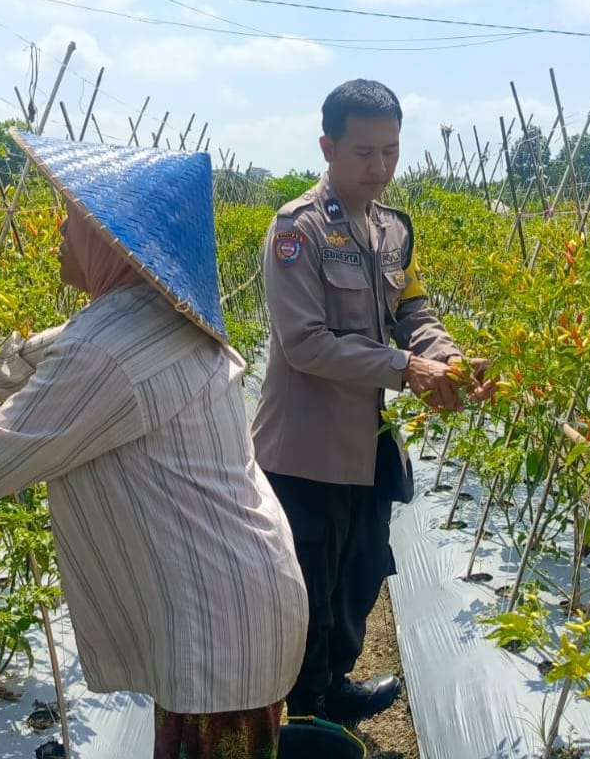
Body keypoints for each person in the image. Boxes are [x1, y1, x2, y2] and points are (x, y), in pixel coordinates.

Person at [0, 138, 309, 759]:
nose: (60, 231)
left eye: (73, 217)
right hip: (236, 599)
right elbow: (12, 361)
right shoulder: (141, 315)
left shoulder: (109, 348)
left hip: (220, 625)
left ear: (110, 238)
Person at [251, 79, 495, 723]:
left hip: (370, 442)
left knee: (361, 572)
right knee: (307, 587)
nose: (380, 168)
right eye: (364, 152)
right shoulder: (296, 232)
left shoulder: (392, 231)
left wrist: (444, 357)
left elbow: (414, 309)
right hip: (306, 450)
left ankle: (335, 684)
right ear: (328, 147)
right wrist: (403, 367)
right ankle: (302, 711)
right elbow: (304, 344)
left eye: (390, 150)